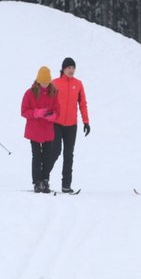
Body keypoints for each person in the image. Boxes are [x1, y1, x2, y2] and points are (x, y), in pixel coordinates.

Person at [51, 57, 90, 193]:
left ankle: (66, 185)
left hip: (72, 125)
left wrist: (86, 122)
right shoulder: (54, 83)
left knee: (69, 154)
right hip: (56, 123)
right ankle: (44, 178)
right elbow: (47, 102)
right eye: (69, 67)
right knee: (55, 151)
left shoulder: (78, 84)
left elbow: (83, 104)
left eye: (73, 68)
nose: (71, 70)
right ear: (63, 69)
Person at [21, 66, 60, 193]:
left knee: (47, 157)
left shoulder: (53, 92)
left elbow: (57, 110)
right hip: (34, 131)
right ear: (38, 80)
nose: (45, 84)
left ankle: (45, 180)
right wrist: (36, 113)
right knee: (37, 156)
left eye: (47, 81)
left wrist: (53, 116)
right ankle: (37, 182)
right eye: (42, 81)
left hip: (48, 130)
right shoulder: (29, 93)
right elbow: (24, 111)